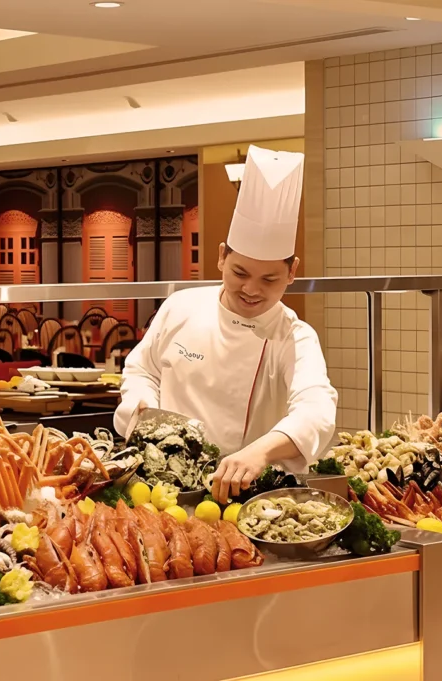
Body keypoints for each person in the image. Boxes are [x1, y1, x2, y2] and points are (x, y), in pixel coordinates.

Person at [114, 145, 338, 503]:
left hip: (247, 497)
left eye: (269, 279)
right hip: (159, 490)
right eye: (240, 272)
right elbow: (142, 370)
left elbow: (317, 411)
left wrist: (259, 452)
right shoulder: (181, 306)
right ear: (221, 256)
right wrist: (142, 408)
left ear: (292, 271)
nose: (251, 289)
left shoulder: (294, 336)